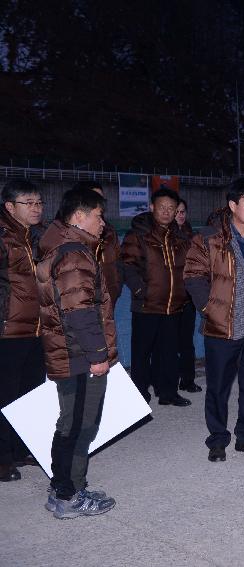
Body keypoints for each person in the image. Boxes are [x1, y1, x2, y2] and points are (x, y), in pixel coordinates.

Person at [184, 178, 244, 462]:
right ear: (233, 206)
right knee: (219, 385)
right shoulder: (209, 238)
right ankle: (217, 439)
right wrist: (209, 308)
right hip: (222, 323)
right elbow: (193, 276)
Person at [37, 187, 118, 518]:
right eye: (98, 215)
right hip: (79, 355)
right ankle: (68, 495)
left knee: (72, 422)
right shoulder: (74, 255)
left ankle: (64, 486)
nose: (103, 222)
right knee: (80, 424)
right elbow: (80, 311)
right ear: (80, 216)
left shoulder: (63, 247)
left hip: (69, 352)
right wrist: (98, 355)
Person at [120, 188, 192, 406]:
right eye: (162, 207)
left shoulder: (179, 236)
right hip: (147, 305)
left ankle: (168, 392)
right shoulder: (138, 234)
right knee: (142, 353)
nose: (167, 212)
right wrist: (142, 291)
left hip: (173, 305)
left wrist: (185, 293)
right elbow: (126, 266)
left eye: (172, 208)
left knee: (169, 352)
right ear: (152, 207)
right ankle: (139, 394)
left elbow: (188, 267)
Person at [0, 180, 46, 482]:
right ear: (10, 206)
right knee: (6, 395)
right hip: (9, 330)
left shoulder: (36, 237)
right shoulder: (4, 237)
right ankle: (2, 457)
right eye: (28, 202)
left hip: (37, 327)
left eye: (39, 202)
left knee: (29, 394)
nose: (36, 208)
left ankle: (20, 449)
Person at [71, 181, 122, 307]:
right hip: (81, 305)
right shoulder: (67, 233)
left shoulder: (109, 231)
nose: (100, 201)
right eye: (94, 197)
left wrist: (116, 287)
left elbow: (119, 263)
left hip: (109, 300)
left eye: (101, 198)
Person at [174, 198, 202, 393]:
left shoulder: (192, 236)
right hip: (169, 297)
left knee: (186, 342)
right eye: (177, 211)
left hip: (188, 297)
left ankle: (187, 380)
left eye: (183, 211)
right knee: (168, 342)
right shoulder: (163, 236)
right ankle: (168, 381)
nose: (180, 215)